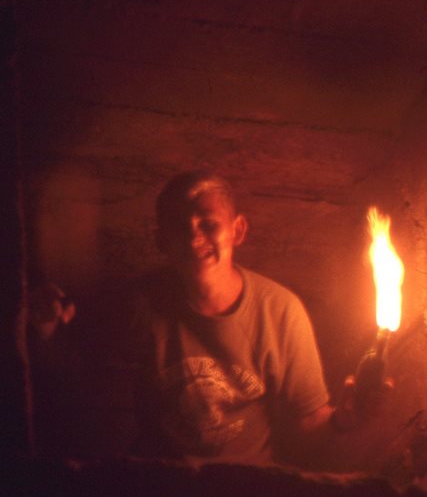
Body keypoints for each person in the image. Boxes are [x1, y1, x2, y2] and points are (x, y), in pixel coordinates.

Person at [28, 171, 392, 466]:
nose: (193, 236)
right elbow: (85, 385)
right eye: (179, 226)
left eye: (208, 223)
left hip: (247, 487)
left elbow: (306, 425)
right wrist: (47, 332)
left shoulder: (280, 311)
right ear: (161, 241)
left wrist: (345, 418)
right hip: (160, 481)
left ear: (238, 230)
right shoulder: (139, 306)